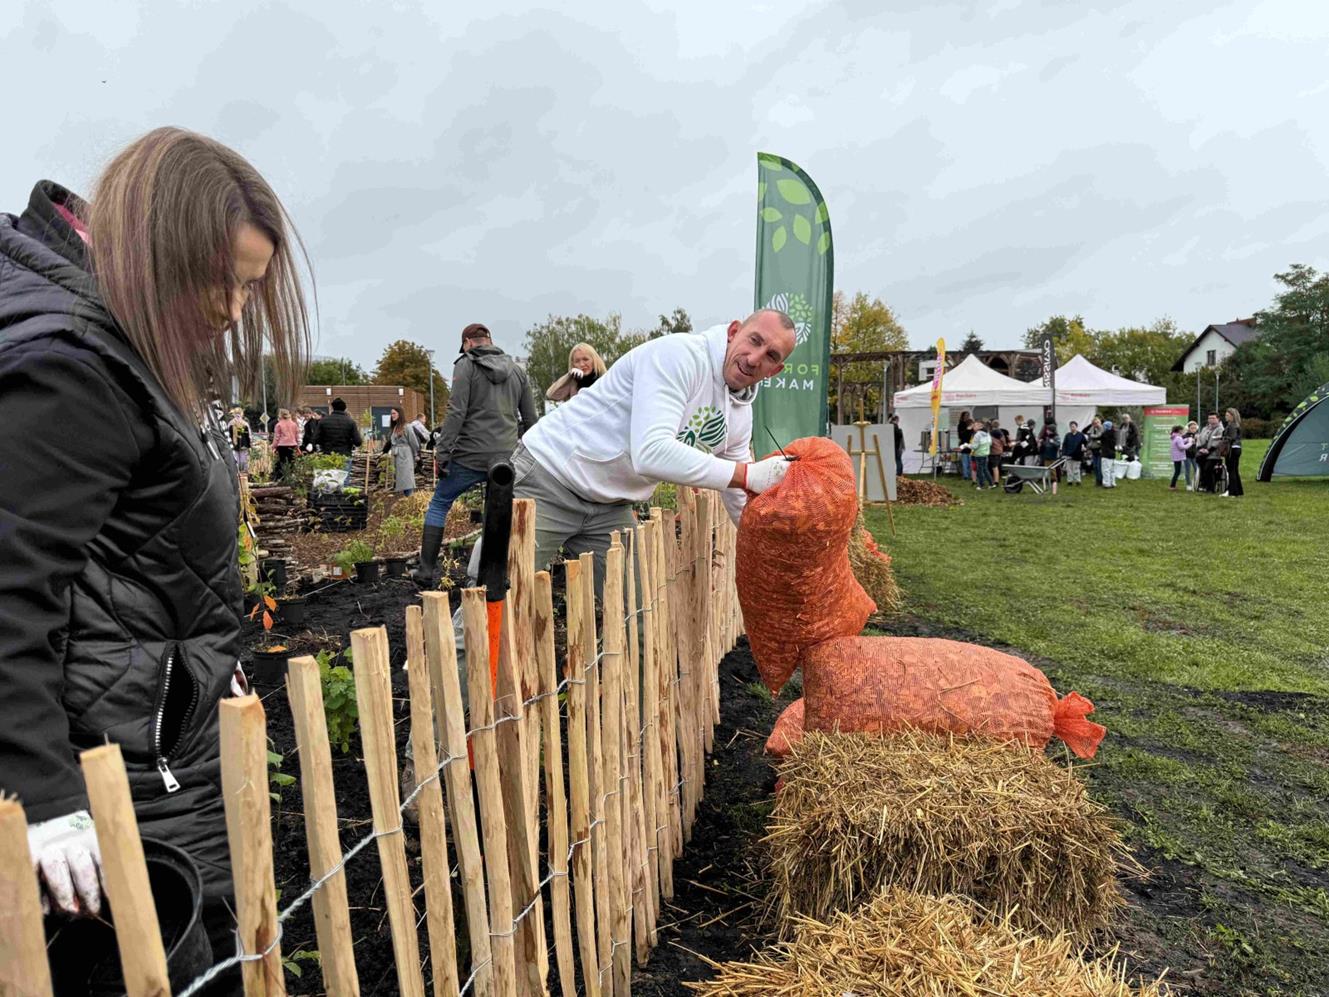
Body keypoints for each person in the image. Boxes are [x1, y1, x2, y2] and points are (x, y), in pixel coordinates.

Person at [0, 128, 310, 983]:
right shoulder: (74, 367)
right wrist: (44, 796)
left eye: (252, 286)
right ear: (159, 247)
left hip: (155, 740)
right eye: (225, 281)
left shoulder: (120, 335)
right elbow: (10, 589)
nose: (236, 310)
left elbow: (136, 555)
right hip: (125, 775)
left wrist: (207, 660)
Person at [414, 323, 539, 584]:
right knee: (500, 511)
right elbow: (530, 419)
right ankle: (498, 575)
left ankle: (425, 571)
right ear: (489, 340)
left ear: (468, 343)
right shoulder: (517, 371)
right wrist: (531, 457)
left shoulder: (466, 365)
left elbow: (456, 412)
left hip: (468, 457)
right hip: (505, 458)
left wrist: (442, 453)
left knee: (440, 503)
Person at [381, 407, 420, 496]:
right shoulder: (395, 428)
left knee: (407, 477)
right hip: (396, 454)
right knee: (399, 477)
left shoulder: (407, 427)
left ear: (400, 414)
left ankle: (409, 497)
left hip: (405, 455)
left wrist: (416, 454)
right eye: (391, 413)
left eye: (394, 413)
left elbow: (414, 442)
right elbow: (391, 442)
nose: (392, 415)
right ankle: (403, 498)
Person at [316, 396, 362, 473]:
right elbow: (358, 442)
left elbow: (316, 439)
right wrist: (350, 442)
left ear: (333, 408)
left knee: (329, 477)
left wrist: (324, 443)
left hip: (328, 454)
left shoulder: (323, 421)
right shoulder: (350, 422)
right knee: (343, 478)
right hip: (344, 455)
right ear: (344, 408)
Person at [1194, 412, 1223, 492]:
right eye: (1209, 418)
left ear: (1218, 419)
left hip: (1214, 454)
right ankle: (1203, 484)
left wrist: (1209, 450)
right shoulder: (1205, 428)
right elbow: (1199, 439)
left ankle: (1211, 487)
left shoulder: (1220, 429)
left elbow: (1218, 441)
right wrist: (1200, 448)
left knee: (1208, 468)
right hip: (1202, 453)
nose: (1211, 420)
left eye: (1213, 418)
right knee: (1202, 468)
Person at [271, 407, 300, 478]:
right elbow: (297, 436)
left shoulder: (279, 425)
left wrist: (273, 446)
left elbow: (277, 437)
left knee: (282, 461)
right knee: (291, 461)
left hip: (282, 445)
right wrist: (297, 446)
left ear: (280, 415)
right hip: (292, 444)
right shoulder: (294, 424)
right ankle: (291, 475)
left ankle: (281, 477)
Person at [1222, 407, 1244, 497]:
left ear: (1232, 416)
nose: (1225, 417)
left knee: (1231, 470)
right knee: (1234, 470)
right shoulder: (1235, 425)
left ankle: (1232, 491)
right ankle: (1238, 490)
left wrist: (1222, 438)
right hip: (1236, 448)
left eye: (1227, 415)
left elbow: (1232, 437)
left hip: (1232, 449)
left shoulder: (1232, 426)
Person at [969, 420, 993, 489]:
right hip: (985, 453)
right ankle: (991, 483)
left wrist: (967, 445)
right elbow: (990, 443)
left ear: (980, 426)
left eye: (975, 425)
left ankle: (981, 485)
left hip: (979, 454)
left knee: (979, 470)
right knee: (985, 469)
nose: (973, 427)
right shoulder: (987, 433)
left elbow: (974, 446)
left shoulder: (977, 435)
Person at [227, 408, 252, 473]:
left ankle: (236, 473)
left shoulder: (230, 423)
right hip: (244, 444)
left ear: (234, 414)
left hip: (233, 445)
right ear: (242, 414)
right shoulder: (245, 423)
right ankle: (244, 473)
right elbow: (249, 435)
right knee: (244, 460)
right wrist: (250, 444)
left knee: (235, 459)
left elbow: (227, 435)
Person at [1061, 421, 1086, 486]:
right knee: (1069, 469)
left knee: (1076, 468)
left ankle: (1078, 481)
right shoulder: (1067, 435)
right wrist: (1064, 454)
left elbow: (1085, 443)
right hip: (1068, 454)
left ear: (1076, 427)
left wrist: (1084, 448)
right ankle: (1070, 481)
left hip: (1078, 455)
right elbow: (1064, 445)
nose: (1072, 428)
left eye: (1073, 426)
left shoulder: (1081, 435)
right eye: (1071, 427)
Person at [1085, 416, 1104, 485]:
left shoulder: (1102, 428)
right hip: (1093, 449)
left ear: (1099, 422)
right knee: (1095, 466)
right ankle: (1097, 480)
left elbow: (1099, 435)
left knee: (1099, 466)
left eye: (1096, 423)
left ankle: (1100, 480)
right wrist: (1088, 448)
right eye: (1094, 423)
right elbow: (1088, 435)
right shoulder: (1092, 428)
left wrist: (1092, 435)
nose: (1095, 424)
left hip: (1100, 450)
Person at [1169, 425, 1189, 490]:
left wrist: (1187, 440)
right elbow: (1182, 447)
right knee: (1177, 472)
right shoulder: (1178, 437)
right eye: (1183, 430)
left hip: (1175, 456)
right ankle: (1172, 486)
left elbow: (1181, 442)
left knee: (1177, 471)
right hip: (1178, 457)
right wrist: (1190, 443)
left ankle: (1173, 485)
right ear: (1179, 430)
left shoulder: (1175, 436)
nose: (1183, 431)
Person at [955, 410, 973, 481]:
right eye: (966, 415)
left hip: (971, 445)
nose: (967, 417)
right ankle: (966, 475)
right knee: (965, 461)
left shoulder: (970, 424)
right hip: (964, 444)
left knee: (970, 461)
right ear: (963, 416)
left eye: (968, 415)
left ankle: (971, 475)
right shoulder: (961, 424)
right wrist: (967, 430)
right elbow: (961, 435)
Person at [1182, 420, 1200, 490]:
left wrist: (1198, 439)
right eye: (1192, 428)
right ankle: (1188, 484)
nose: (1193, 429)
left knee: (1197, 470)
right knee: (1188, 470)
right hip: (1187, 455)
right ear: (1188, 428)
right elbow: (1182, 445)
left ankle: (1196, 483)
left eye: (1195, 428)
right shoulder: (1184, 436)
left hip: (1195, 455)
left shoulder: (1197, 435)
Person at [1100, 419, 1118, 487]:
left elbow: (1101, 440)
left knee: (1105, 469)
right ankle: (1113, 482)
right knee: (1112, 470)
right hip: (1113, 454)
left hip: (1106, 454)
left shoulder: (1104, 434)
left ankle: (1107, 483)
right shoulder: (1114, 434)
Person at [988, 419, 1006, 483]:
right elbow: (1003, 441)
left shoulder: (992, 432)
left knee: (994, 466)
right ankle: (996, 479)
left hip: (994, 451)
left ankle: (996, 481)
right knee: (996, 466)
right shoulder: (1000, 432)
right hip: (999, 450)